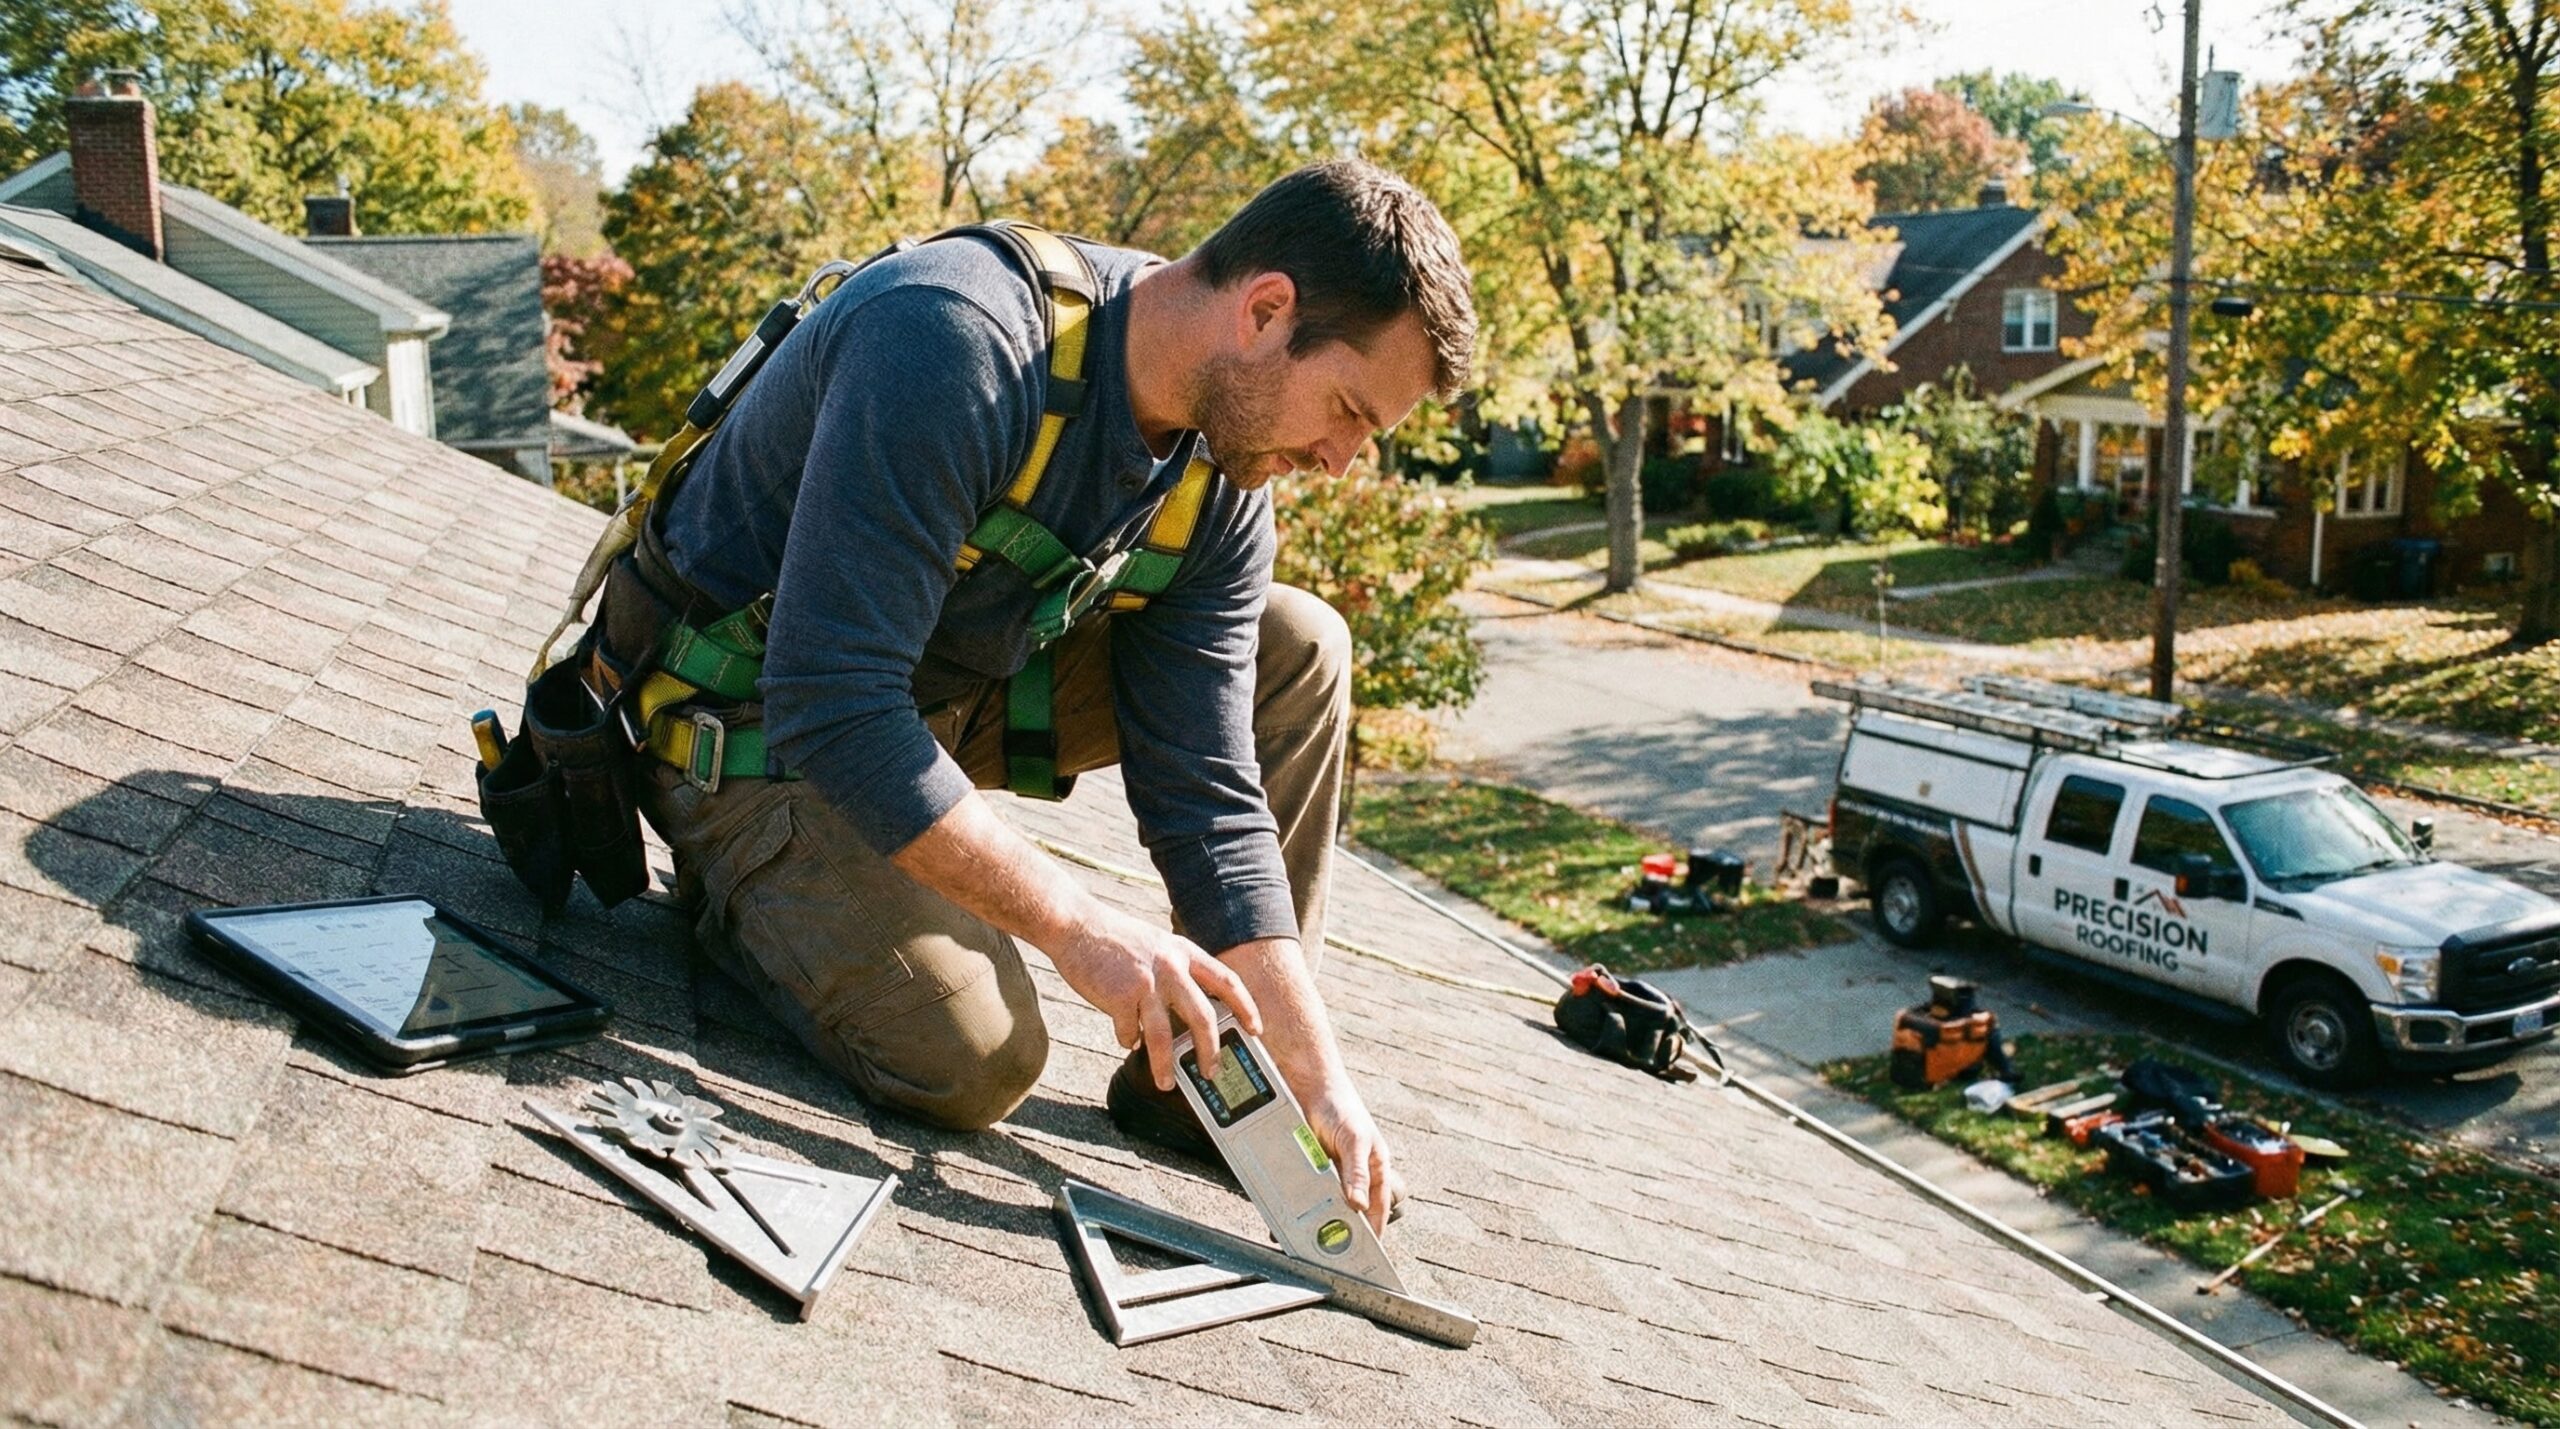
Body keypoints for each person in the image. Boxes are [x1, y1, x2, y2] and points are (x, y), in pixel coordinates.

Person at [625, 159, 1476, 1233]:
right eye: (1348, 410)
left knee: (1300, 643)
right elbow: (831, 696)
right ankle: (744, 901)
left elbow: (1210, 792)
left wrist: (1317, 1074)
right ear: (1266, 312)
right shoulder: (955, 339)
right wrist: (1080, 928)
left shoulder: (1216, 477)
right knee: (975, 1058)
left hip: (930, 701)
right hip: (751, 722)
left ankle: (1205, 1078)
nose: (1342, 459)